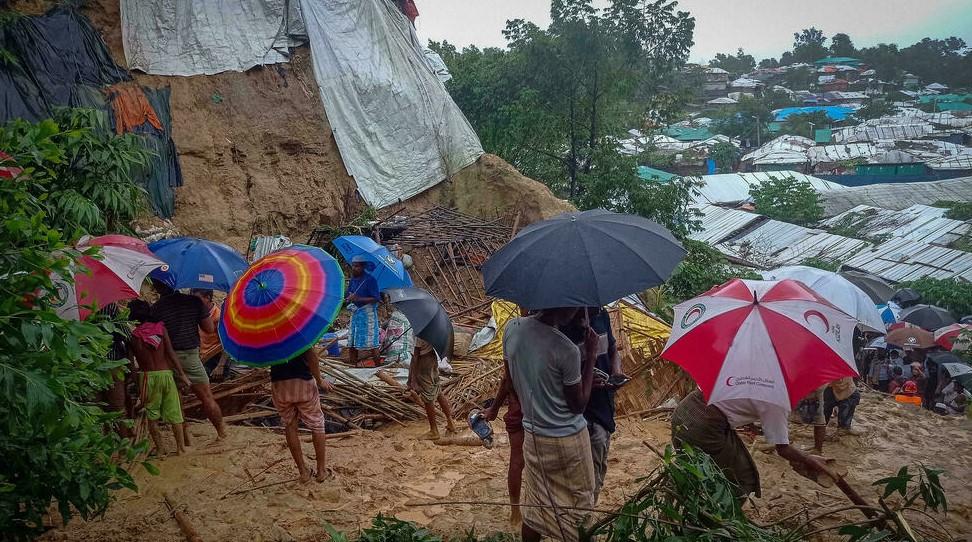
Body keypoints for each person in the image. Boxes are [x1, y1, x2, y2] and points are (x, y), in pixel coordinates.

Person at [503, 307, 598, 542]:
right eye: (574, 304)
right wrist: (592, 357)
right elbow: (578, 405)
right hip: (569, 442)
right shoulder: (566, 349)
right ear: (563, 304)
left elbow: (511, 382)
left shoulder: (512, 329)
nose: (578, 310)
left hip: (534, 437)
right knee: (580, 512)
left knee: (535, 508)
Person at [672, 389, 829, 499]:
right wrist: (809, 459)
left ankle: (697, 508)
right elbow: (782, 448)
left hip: (686, 410)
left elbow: (743, 399)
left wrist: (750, 422)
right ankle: (717, 523)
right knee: (742, 479)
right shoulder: (778, 401)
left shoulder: (762, 372)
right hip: (704, 424)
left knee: (697, 470)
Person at [151, 279, 227, 441]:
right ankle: (221, 433)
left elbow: (154, 338)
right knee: (206, 397)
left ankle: (185, 438)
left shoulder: (156, 309)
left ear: (156, 287)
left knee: (176, 400)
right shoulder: (192, 302)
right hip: (191, 356)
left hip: (168, 360)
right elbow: (209, 328)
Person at [560, 307, 623, 503]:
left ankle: (584, 517)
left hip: (605, 408)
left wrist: (616, 370)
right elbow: (558, 377)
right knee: (587, 478)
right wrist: (585, 377)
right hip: (581, 416)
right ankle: (583, 523)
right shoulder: (562, 330)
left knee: (600, 467)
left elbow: (613, 349)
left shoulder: (602, 317)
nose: (598, 305)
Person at [128, 300, 191, 456]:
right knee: (175, 413)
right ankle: (181, 448)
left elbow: (131, 364)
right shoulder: (160, 329)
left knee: (152, 415)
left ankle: (161, 449)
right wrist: (182, 375)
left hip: (147, 378)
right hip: (166, 375)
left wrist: (136, 384)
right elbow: (170, 353)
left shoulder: (133, 336)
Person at [270, 347, 332, 483]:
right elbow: (312, 357)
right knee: (317, 424)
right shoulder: (297, 332)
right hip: (303, 382)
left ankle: (303, 472)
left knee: (290, 424)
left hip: (279, 384)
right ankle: (321, 471)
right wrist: (320, 380)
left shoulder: (267, 336)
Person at [482, 361, 525, 527]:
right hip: (540, 409)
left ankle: (515, 512)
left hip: (519, 409)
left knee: (516, 462)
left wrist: (494, 409)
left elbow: (507, 379)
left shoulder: (513, 338)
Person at [407, 338, 457, 439]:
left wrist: (412, 379)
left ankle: (434, 431)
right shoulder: (428, 331)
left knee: (427, 397)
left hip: (423, 362)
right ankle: (450, 421)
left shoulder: (419, 333)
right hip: (431, 358)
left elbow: (415, 357)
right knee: (438, 390)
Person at [191, 289, 232, 382]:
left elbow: (227, 343)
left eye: (197, 299)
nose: (194, 303)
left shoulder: (218, 316)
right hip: (202, 358)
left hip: (215, 360)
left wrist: (220, 366)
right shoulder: (198, 314)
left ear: (208, 298)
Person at [346, 256, 380, 367]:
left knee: (372, 342)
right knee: (352, 340)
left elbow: (376, 298)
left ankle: (378, 366)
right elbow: (348, 294)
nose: (354, 268)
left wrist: (358, 299)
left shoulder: (370, 280)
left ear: (363, 266)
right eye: (353, 265)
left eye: (357, 266)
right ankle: (353, 366)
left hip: (367, 314)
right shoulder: (353, 280)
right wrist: (348, 298)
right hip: (356, 314)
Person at [381, 297, 414, 366]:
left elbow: (383, 326)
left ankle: (395, 357)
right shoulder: (410, 318)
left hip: (390, 352)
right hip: (404, 353)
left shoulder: (394, 315)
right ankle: (400, 357)